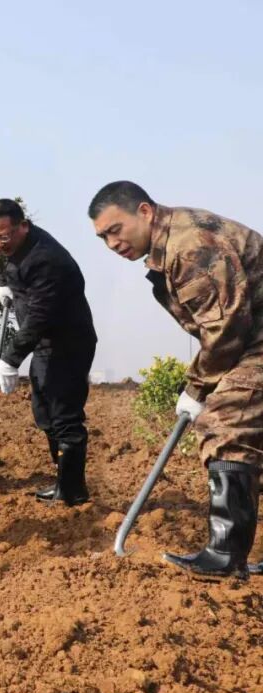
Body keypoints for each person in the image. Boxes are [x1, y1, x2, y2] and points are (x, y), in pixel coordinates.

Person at [89, 180, 262, 578]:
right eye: (103, 238)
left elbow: (226, 329)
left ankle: (225, 557)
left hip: (252, 337)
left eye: (116, 230)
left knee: (225, 422)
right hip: (252, 335)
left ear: (145, 211)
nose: (112, 244)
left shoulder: (189, 246)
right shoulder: (172, 244)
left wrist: (198, 387)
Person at [0, 199, 97, 506]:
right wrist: (5, 282)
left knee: (64, 417)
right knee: (45, 413)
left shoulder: (47, 259)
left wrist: (10, 359)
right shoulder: (21, 244)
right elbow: (11, 261)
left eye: (3, 237)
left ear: (23, 225)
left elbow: (40, 315)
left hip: (67, 345)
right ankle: (63, 482)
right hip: (47, 345)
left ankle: (73, 491)